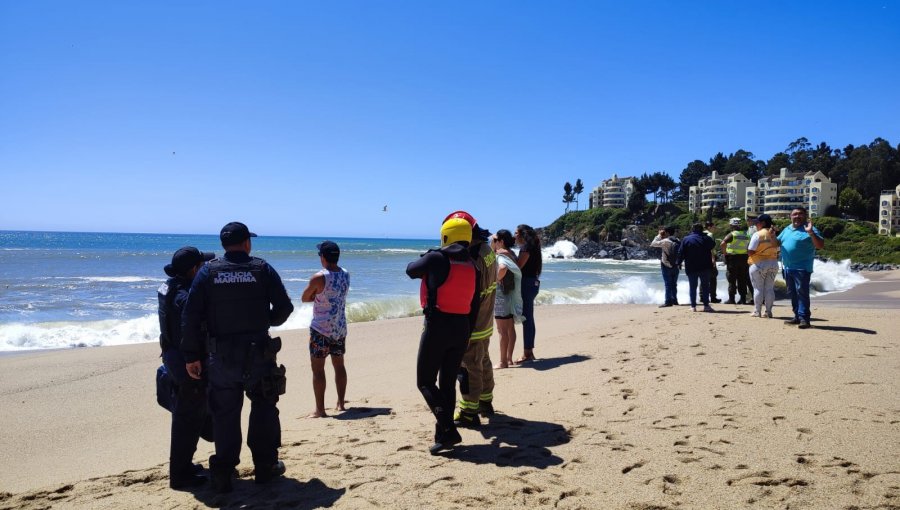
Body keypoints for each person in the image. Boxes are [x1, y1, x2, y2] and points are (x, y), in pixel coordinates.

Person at [182, 222, 295, 493]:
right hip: (258, 353)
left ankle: (223, 470)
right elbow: (285, 307)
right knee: (264, 408)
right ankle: (265, 467)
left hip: (221, 357)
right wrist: (263, 320)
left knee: (225, 414)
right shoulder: (262, 269)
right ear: (247, 243)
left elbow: (191, 315)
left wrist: (191, 356)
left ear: (223, 245)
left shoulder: (208, 272)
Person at [406, 216, 478, 454]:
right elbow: (474, 303)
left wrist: (430, 254)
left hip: (438, 325)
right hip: (463, 327)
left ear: (445, 235)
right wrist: (468, 333)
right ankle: (443, 435)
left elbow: (410, 270)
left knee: (425, 381)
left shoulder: (437, 257)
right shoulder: (472, 265)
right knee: (446, 383)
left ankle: (448, 428)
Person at [158, 246, 215, 489]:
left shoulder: (168, 287)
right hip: (186, 363)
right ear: (193, 269)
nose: (205, 269)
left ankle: (184, 466)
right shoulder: (185, 296)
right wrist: (194, 359)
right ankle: (180, 475)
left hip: (172, 356)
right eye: (202, 266)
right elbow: (188, 329)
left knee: (186, 417)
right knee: (187, 419)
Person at [443, 212, 498, 429]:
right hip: (486, 319)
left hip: (473, 322)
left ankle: (468, 411)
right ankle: (485, 400)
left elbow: (469, 291)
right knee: (483, 360)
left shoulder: (474, 254)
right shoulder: (486, 250)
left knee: (469, 366)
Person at [301, 241, 350, 418]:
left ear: (323, 257)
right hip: (339, 327)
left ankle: (320, 410)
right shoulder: (345, 274)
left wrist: (317, 297)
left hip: (321, 328)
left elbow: (304, 297)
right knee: (339, 366)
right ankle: (341, 403)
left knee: (318, 370)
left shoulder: (318, 277)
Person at [777, 207, 825, 329]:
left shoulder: (810, 229)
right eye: (795, 214)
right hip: (787, 267)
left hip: (802, 268)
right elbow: (777, 243)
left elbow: (820, 245)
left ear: (805, 216)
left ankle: (804, 319)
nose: (797, 216)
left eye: (800, 214)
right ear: (790, 216)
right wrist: (772, 236)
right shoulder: (787, 229)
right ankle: (797, 316)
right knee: (792, 293)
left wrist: (811, 232)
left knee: (802, 293)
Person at [492, 230, 523, 369]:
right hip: (510, 295)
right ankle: (509, 358)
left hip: (501, 296)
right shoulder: (511, 254)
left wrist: (494, 280)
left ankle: (503, 362)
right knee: (510, 328)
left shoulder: (500, 255)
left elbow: (503, 268)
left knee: (502, 330)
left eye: (494, 240)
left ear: (501, 242)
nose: (492, 243)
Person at [514, 224, 542, 364]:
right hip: (532, 284)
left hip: (527, 284)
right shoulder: (533, 247)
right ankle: (528, 351)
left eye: (516, 233)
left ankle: (528, 353)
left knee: (527, 318)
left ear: (522, 234)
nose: (514, 236)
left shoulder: (526, 248)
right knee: (528, 317)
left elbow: (518, 267)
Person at [676, 223, 716, 312]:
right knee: (705, 286)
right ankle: (706, 306)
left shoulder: (686, 239)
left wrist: (678, 263)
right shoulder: (707, 238)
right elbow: (713, 245)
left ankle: (693, 306)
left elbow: (681, 252)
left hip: (691, 266)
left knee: (692, 286)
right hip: (705, 266)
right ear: (702, 229)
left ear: (692, 229)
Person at [747, 214, 780, 318]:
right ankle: (768, 311)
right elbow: (778, 250)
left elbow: (751, 251)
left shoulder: (758, 234)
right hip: (773, 263)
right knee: (769, 288)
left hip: (758, 264)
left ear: (763, 223)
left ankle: (757, 311)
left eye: (757, 223)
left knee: (758, 289)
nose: (756, 225)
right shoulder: (774, 235)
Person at [721, 217, 752, 305]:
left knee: (732, 279)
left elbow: (722, 243)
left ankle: (732, 299)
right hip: (744, 258)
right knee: (742, 279)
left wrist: (725, 253)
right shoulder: (747, 235)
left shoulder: (732, 234)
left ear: (731, 225)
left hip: (733, 259)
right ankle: (743, 299)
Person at [650, 226, 680, 307]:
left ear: (666, 232)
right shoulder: (677, 240)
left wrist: (659, 235)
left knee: (668, 284)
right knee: (674, 284)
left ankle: (668, 301)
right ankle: (675, 300)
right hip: (676, 265)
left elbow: (653, 244)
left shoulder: (665, 241)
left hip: (666, 265)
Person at [703, 221, 722, 303]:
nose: (715, 228)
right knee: (713, 277)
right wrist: (713, 258)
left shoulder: (702, 234)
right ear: (709, 227)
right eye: (714, 227)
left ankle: (701, 296)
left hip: (702, 258)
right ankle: (713, 297)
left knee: (704, 277)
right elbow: (711, 248)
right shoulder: (710, 235)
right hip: (710, 257)